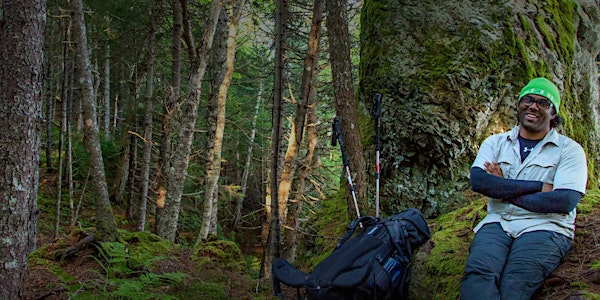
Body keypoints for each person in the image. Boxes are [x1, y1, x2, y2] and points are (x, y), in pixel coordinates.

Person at [460, 77, 588, 300]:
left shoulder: (569, 150)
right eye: (528, 99)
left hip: (546, 226)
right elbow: (480, 182)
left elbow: (564, 201)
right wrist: (539, 186)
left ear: (553, 114)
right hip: (498, 221)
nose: (533, 106)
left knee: (515, 283)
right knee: (478, 276)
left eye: (543, 103)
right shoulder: (495, 143)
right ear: (518, 105)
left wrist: (501, 188)